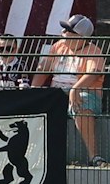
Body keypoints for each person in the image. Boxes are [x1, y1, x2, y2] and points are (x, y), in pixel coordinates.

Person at [34, 14, 105, 165]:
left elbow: (92, 73)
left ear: (80, 37)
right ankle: (40, 157)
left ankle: (94, 156)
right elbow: (43, 69)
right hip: (56, 93)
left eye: (67, 30)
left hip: (84, 92)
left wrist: (75, 88)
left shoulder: (94, 51)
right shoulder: (58, 46)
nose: (63, 33)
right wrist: (33, 90)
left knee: (82, 104)